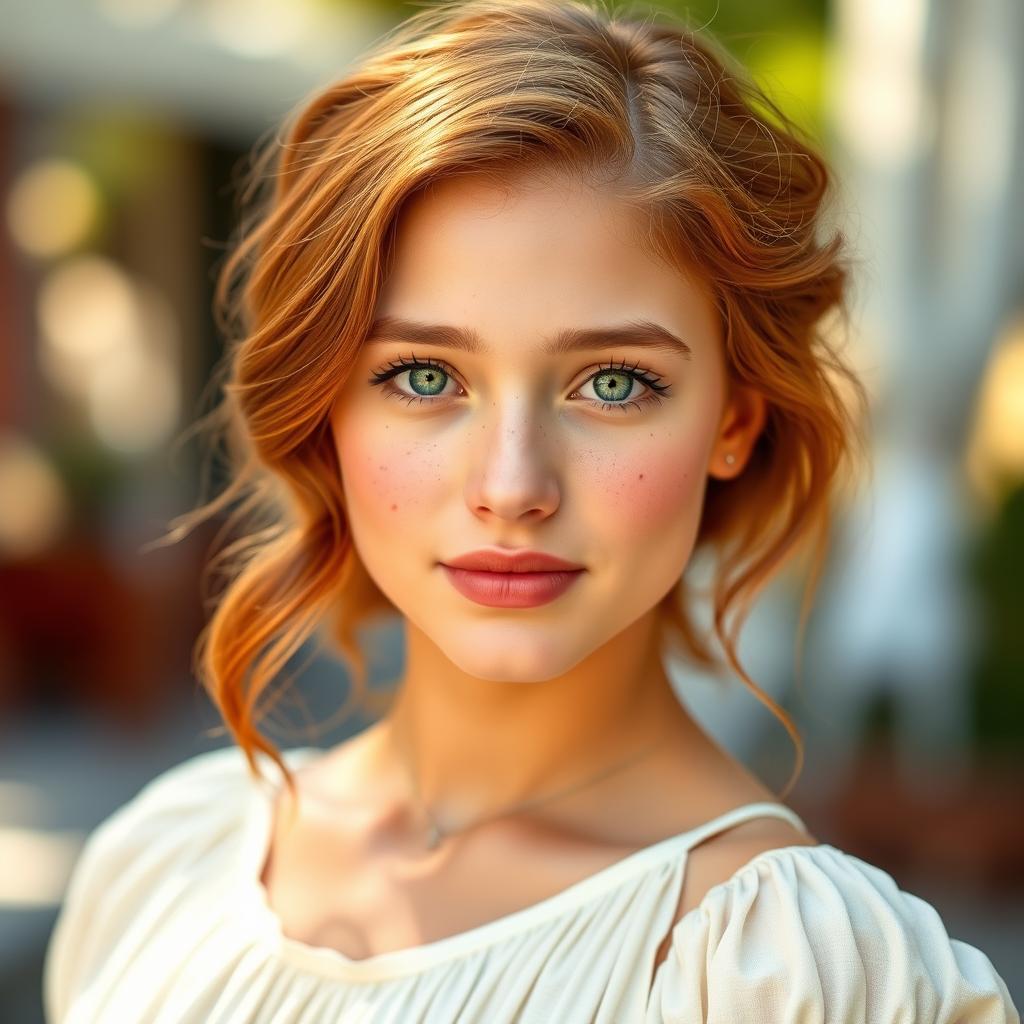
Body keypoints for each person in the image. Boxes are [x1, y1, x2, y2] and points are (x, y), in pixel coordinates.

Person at [42, 0, 1020, 1020]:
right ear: (325, 405)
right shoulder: (163, 869)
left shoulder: (795, 975)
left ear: (733, 419)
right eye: (424, 376)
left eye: (610, 383)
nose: (512, 487)